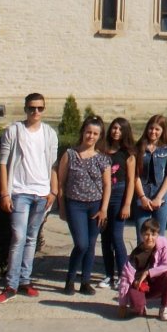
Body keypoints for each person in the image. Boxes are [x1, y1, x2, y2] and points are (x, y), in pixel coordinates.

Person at [0, 92, 60, 303]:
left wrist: (53, 191)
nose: (36, 112)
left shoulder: (49, 134)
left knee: (31, 238)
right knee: (19, 238)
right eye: (32, 108)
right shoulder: (13, 131)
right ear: (25, 109)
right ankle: (11, 284)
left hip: (42, 193)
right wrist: (4, 193)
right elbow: (3, 163)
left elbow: (52, 165)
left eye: (40, 108)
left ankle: (25, 280)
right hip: (20, 192)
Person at [57, 116, 111, 295]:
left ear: (99, 136)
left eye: (95, 134)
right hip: (75, 205)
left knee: (91, 243)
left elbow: (107, 185)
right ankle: (70, 279)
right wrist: (62, 207)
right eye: (89, 132)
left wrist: (104, 209)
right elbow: (61, 183)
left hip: (95, 206)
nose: (91, 136)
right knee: (81, 244)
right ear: (83, 132)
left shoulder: (102, 159)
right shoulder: (70, 154)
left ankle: (85, 281)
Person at [99, 117, 135, 289]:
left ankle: (123, 274)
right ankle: (108, 275)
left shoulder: (128, 154)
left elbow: (131, 180)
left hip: (119, 194)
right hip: (102, 194)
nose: (116, 132)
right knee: (105, 237)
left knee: (116, 236)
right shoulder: (102, 150)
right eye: (114, 128)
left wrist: (127, 204)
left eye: (120, 129)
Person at [117, 219, 167, 321]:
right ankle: (140, 306)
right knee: (137, 310)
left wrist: (148, 272)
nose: (150, 238)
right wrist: (123, 304)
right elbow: (125, 277)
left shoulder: (164, 244)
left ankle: (164, 307)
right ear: (141, 235)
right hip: (140, 285)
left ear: (157, 235)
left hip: (157, 282)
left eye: (153, 234)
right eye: (146, 235)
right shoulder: (136, 254)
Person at [133, 115, 167, 233]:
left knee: (159, 236)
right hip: (142, 194)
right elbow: (135, 175)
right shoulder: (139, 147)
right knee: (142, 236)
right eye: (151, 128)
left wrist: (158, 197)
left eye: (157, 129)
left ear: (163, 131)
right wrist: (142, 197)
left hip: (161, 194)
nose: (153, 132)